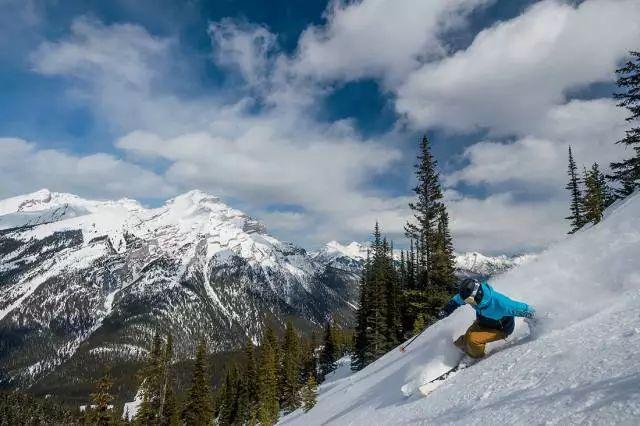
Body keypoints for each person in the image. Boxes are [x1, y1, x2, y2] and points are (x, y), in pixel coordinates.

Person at [437, 278, 535, 358]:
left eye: (469, 300)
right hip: (482, 323)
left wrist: (537, 318)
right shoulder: (469, 295)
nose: (468, 302)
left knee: (472, 340)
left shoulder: (501, 303)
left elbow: (524, 309)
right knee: (463, 340)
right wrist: (446, 310)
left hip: (500, 329)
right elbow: (456, 301)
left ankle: (476, 357)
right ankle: (464, 351)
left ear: (477, 295)